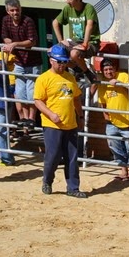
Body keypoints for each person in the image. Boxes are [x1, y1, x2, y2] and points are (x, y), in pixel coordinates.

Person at [34, 44, 86, 198]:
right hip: (53, 124)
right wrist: (50, 114)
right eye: (59, 62)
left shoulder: (70, 77)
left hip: (70, 123)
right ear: (51, 61)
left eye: (64, 62)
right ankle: (47, 180)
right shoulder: (44, 79)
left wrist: (80, 116)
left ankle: (73, 187)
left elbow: (76, 98)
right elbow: (38, 101)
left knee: (72, 157)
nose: (62, 65)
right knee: (53, 155)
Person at [92, 56, 129, 182]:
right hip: (112, 122)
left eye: (110, 69)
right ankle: (123, 171)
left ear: (115, 69)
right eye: (106, 70)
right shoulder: (102, 83)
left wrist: (121, 85)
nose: (109, 72)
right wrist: (107, 119)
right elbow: (103, 104)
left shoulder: (123, 76)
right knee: (115, 147)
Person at [0, 0, 38, 128]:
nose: (15, 12)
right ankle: (25, 118)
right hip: (18, 62)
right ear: (7, 11)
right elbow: (4, 36)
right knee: (21, 92)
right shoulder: (6, 20)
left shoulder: (28, 21)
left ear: (21, 9)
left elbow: (32, 41)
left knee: (32, 92)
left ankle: (32, 119)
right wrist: (8, 41)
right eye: (12, 10)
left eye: (17, 10)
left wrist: (15, 44)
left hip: (32, 62)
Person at [52, 0, 99, 84]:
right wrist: (61, 41)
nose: (67, 1)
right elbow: (55, 23)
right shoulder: (67, 9)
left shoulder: (88, 8)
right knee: (53, 52)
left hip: (91, 42)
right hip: (74, 42)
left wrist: (85, 44)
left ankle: (87, 72)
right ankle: (77, 69)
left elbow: (89, 25)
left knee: (74, 53)